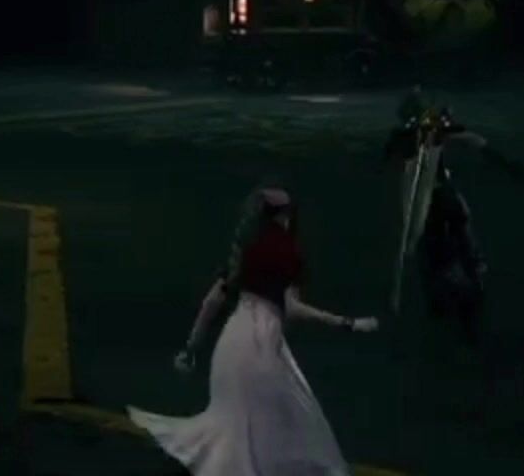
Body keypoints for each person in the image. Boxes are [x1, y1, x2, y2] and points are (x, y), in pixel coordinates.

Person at [127, 186, 379, 476]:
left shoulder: (246, 248)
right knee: (294, 421)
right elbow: (293, 309)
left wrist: (190, 348)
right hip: (262, 348)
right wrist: (347, 323)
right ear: (285, 216)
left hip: (231, 345)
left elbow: (212, 302)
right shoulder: (289, 252)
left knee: (236, 426)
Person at [384, 101, 521, 343]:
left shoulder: (426, 133)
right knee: (440, 253)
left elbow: (470, 139)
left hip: (438, 200)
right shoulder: (409, 137)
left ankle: (461, 292)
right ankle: (452, 300)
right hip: (432, 202)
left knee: (453, 245)